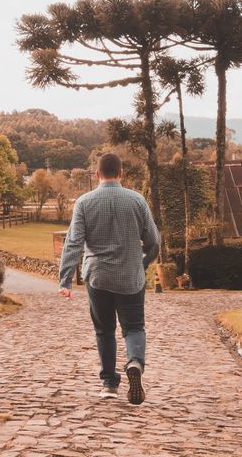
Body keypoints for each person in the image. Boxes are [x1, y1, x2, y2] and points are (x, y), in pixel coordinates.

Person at [58, 153, 160, 405]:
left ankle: (109, 384)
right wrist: (143, 263)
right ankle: (135, 362)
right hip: (130, 277)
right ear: (121, 173)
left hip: (98, 277)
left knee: (104, 330)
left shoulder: (84, 202)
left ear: (97, 175)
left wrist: (65, 279)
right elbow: (154, 241)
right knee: (134, 327)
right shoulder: (137, 200)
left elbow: (73, 242)